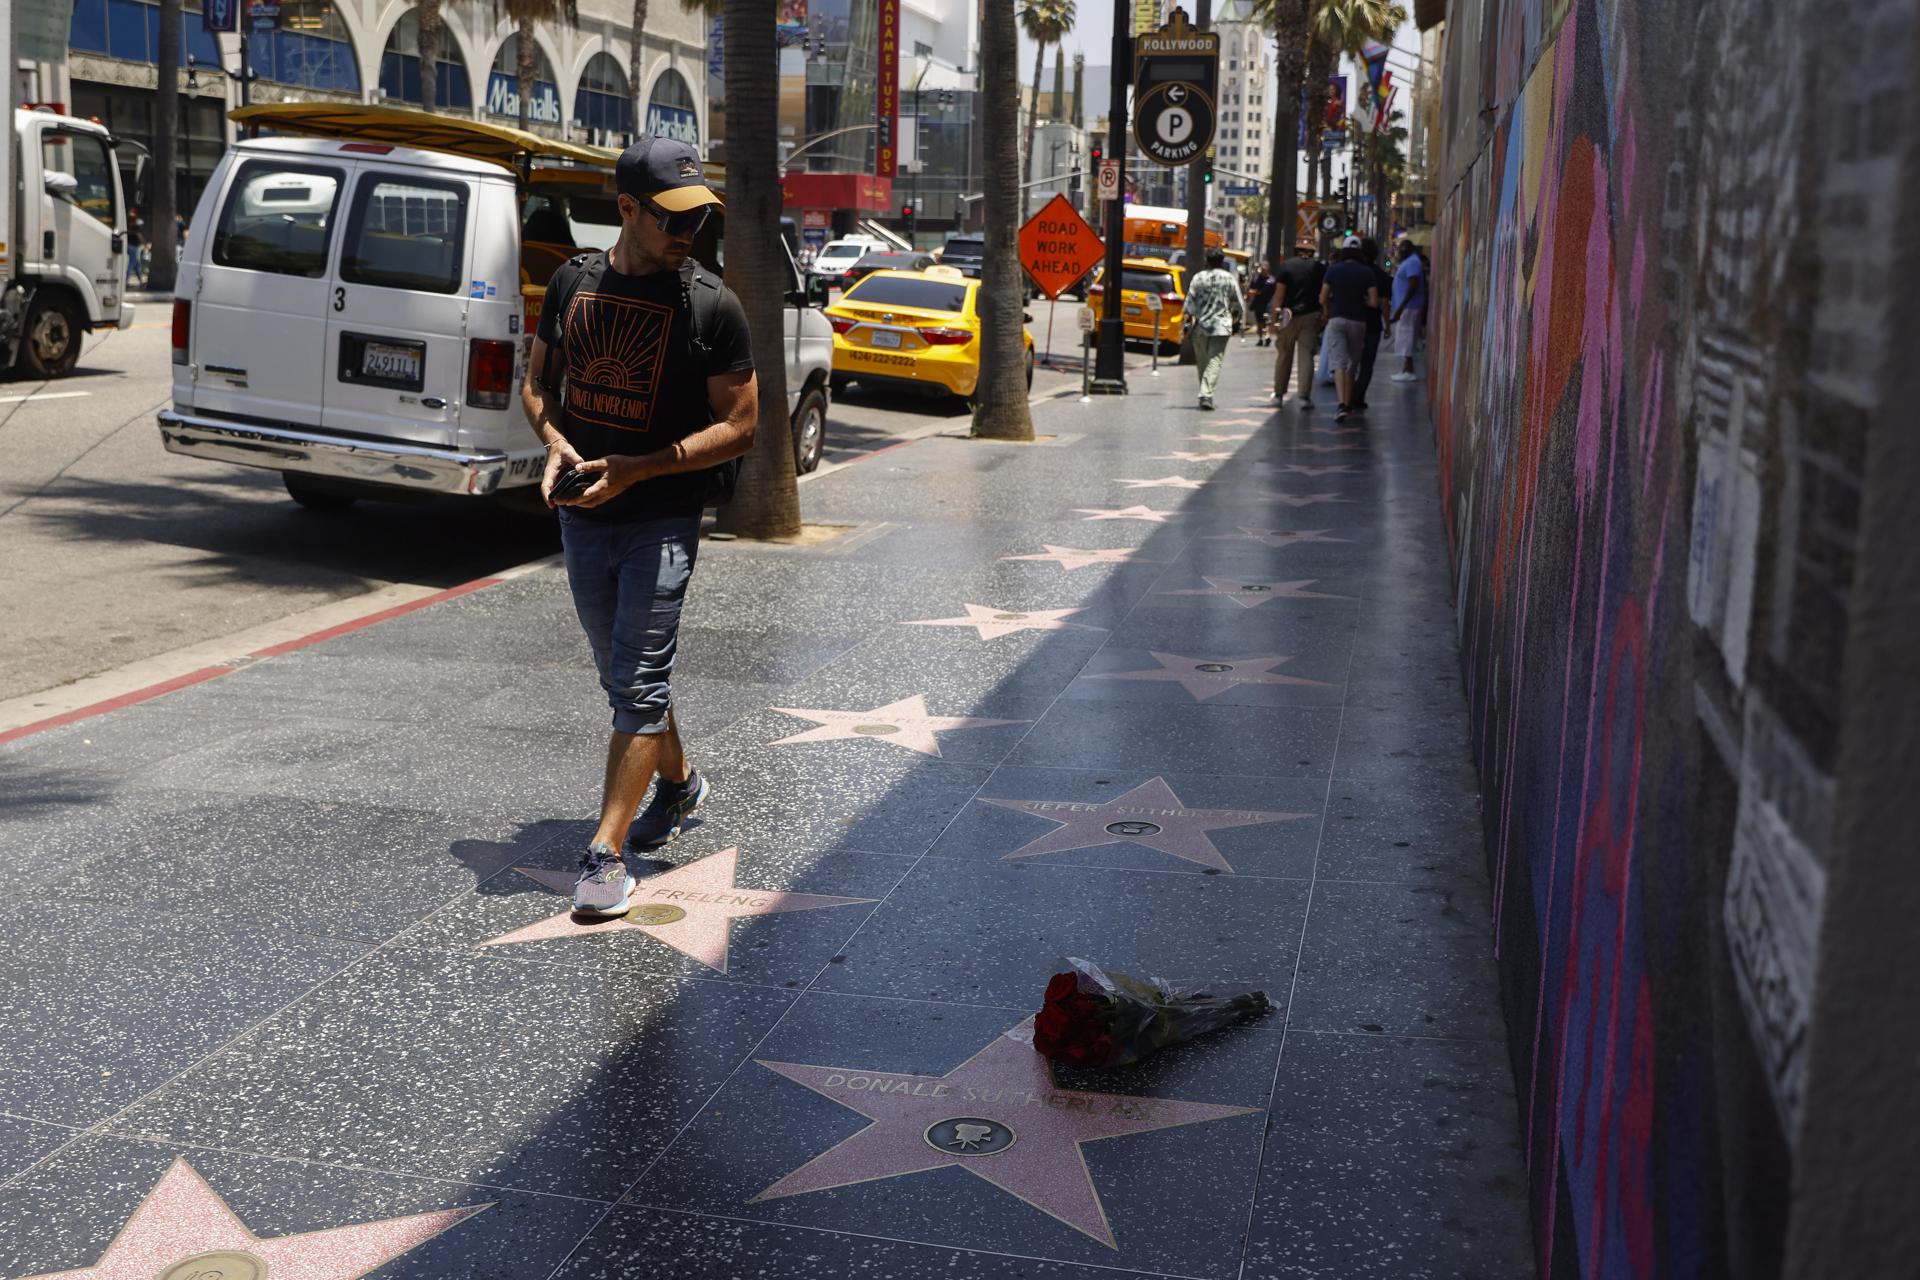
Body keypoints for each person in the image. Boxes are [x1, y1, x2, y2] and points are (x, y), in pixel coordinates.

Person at [520, 136, 759, 916]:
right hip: (584, 518)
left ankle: (604, 855)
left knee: (640, 682)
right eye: (671, 219)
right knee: (625, 680)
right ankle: (682, 785)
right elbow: (536, 386)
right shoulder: (571, 283)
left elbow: (744, 425)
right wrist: (555, 444)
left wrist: (641, 467)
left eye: (698, 219)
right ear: (627, 209)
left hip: (660, 516)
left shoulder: (711, 304)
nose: (688, 233)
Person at [1318, 236, 1380, 421]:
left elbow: (1322, 298)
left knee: (1338, 363)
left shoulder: (1333, 270)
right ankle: (1349, 402)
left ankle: (1342, 405)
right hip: (1358, 322)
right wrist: (1362, 301)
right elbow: (1374, 302)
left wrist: (1328, 309)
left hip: (1336, 320)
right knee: (1352, 364)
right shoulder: (1367, 272)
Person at [1184, 247, 1244, 411]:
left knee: (1203, 362)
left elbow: (1189, 304)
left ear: (1207, 260)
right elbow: (1237, 303)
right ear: (1222, 261)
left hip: (1200, 326)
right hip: (1221, 326)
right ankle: (1206, 394)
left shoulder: (1198, 278)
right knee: (1214, 361)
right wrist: (1236, 318)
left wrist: (1187, 324)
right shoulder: (1228, 278)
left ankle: (1205, 393)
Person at [1270, 239, 1325, 407]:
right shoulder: (1320, 268)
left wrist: (1274, 320)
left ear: (1296, 250)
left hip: (1288, 316)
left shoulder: (1287, 266)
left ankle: (1279, 394)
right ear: (1312, 252)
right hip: (1311, 315)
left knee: (1284, 354)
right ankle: (1304, 397)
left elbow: (1279, 296)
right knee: (1307, 356)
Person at [1352, 237, 1394, 411]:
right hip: (1372, 325)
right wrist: (1388, 325)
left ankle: (1346, 397)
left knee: (1351, 363)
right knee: (1367, 365)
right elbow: (1384, 303)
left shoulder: (1353, 272)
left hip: (1353, 321)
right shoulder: (1382, 276)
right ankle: (1358, 397)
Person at [1390, 239, 1427, 381]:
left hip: (1409, 307)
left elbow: (1413, 285)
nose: (1400, 250)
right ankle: (1406, 369)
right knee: (1406, 337)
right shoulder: (1411, 261)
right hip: (1407, 306)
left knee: (1406, 337)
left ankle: (1409, 371)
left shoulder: (1412, 262)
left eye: (1403, 247)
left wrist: (1401, 307)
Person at [1246, 263, 1277, 345]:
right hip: (1258, 304)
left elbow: (1277, 292)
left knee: (1266, 320)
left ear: (1268, 270)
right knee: (1259, 322)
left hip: (1268, 304)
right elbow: (1250, 290)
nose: (1263, 271)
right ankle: (1260, 338)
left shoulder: (1272, 280)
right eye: (1262, 270)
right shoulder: (1256, 279)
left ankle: (1267, 336)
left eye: (1265, 270)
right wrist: (1249, 297)